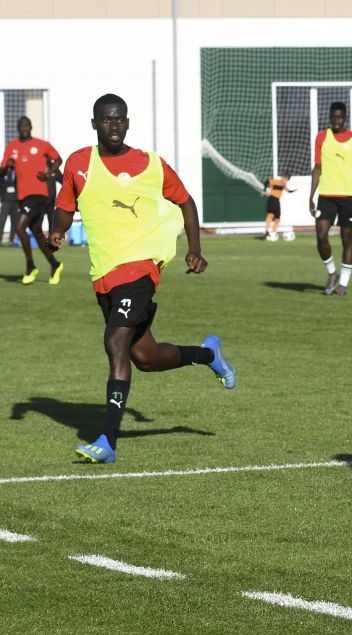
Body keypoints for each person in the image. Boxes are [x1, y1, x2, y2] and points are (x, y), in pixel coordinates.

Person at [48, 93, 236, 464]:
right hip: (104, 274)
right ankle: (207, 353)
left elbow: (186, 201)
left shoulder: (151, 165)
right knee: (145, 358)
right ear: (94, 124)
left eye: (120, 119)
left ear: (128, 123)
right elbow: (64, 208)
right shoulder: (79, 163)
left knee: (115, 343)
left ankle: (107, 441)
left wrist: (194, 248)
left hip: (141, 268)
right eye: (106, 119)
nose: (114, 125)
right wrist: (56, 232)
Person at [308, 101, 352, 296]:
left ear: (345, 118)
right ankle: (332, 272)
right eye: (333, 117)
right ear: (329, 117)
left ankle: (343, 283)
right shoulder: (322, 138)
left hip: (349, 196)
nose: (336, 120)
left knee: (346, 238)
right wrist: (311, 196)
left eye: (340, 117)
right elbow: (317, 168)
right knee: (321, 234)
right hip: (326, 195)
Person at [3, 116, 63, 284]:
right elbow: (2, 170)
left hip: (38, 194)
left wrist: (49, 173)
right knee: (36, 231)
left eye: (27, 125)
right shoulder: (11, 147)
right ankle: (55, 264)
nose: (24, 128)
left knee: (19, 227)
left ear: (31, 127)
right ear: (17, 128)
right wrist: (7, 166)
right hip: (22, 196)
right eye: (21, 125)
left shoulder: (42, 144)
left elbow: (58, 159)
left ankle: (30, 267)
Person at [261, 173, 293, 241]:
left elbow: (288, 190)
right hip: (272, 199)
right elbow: (266, 181)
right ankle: (266, 231)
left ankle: (273, 232)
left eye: (287, 180)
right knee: (270, 215)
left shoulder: (284, 185)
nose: (285, 180)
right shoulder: (275, 181)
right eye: (285, 178)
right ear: (282, 177)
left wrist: (292, 191)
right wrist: (264, 189)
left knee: (277, 218)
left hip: (277, 201)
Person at [0, 165, 16, 246]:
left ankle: (11, 240)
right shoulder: (3, 171)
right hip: (6, 200)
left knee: (14, 221)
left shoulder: (17, 170)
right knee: (2, 220)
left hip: (15, 200)